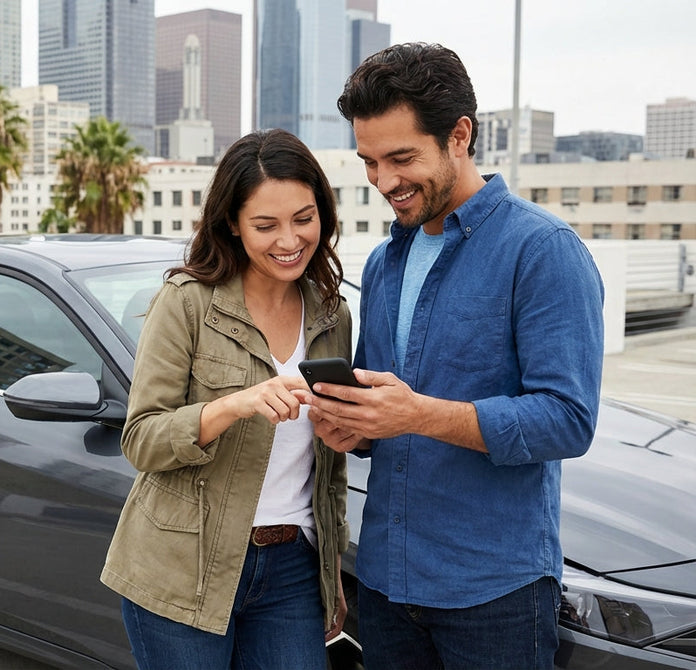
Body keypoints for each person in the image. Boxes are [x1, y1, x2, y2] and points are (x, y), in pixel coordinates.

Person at [298, 42, 605, 670]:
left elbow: (567, 419)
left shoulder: (543, 251)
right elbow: (386, 416)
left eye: (401, 158)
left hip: (493, 594)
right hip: (384, 582)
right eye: (369, 162)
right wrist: (350, 428)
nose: (384, 182)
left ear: (459, 136)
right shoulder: (386, 262)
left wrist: (416, 415)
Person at [100, 128, 352, 669]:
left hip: (292, 568)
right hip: (183, 565)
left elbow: (327, 471)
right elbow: (141, 439)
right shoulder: (186, 302)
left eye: (303, 219)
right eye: (266, 225)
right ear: (233, 225)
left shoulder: (333, 312)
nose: (289, 240)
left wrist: (330, 572)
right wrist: (233, 405)